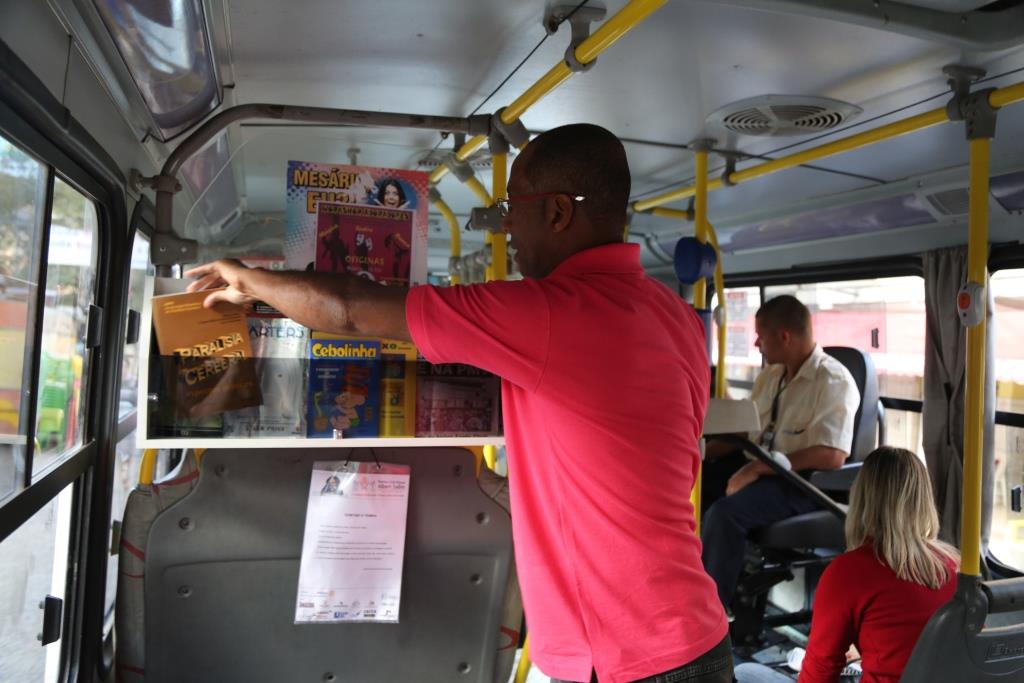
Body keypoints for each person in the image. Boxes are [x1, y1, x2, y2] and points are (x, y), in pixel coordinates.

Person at [185, 124, 731, 683]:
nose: (508, 228)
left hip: (625, 656)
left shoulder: (548, 314)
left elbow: (350, 310)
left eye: (511, 208)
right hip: (697, 632)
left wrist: (249, 280)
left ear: (560, 213)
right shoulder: (676, 316)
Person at [733, 446, 960, 683]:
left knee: (746, 673)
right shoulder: (954, 565)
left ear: (862, 499)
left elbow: (818, 675)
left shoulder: (849, 571)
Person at [701, 295, 859, 609]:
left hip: (803, 483)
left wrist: (759, 468)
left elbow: (832, 456)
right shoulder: (771, 377)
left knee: (723, 515)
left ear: (784, 336)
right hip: (762, 467)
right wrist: (697, 453)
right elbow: (748, 433)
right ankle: (685, 585)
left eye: (761, 335)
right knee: (689, 484)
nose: (757, 343)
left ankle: (711, 614)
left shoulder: (833, 381)